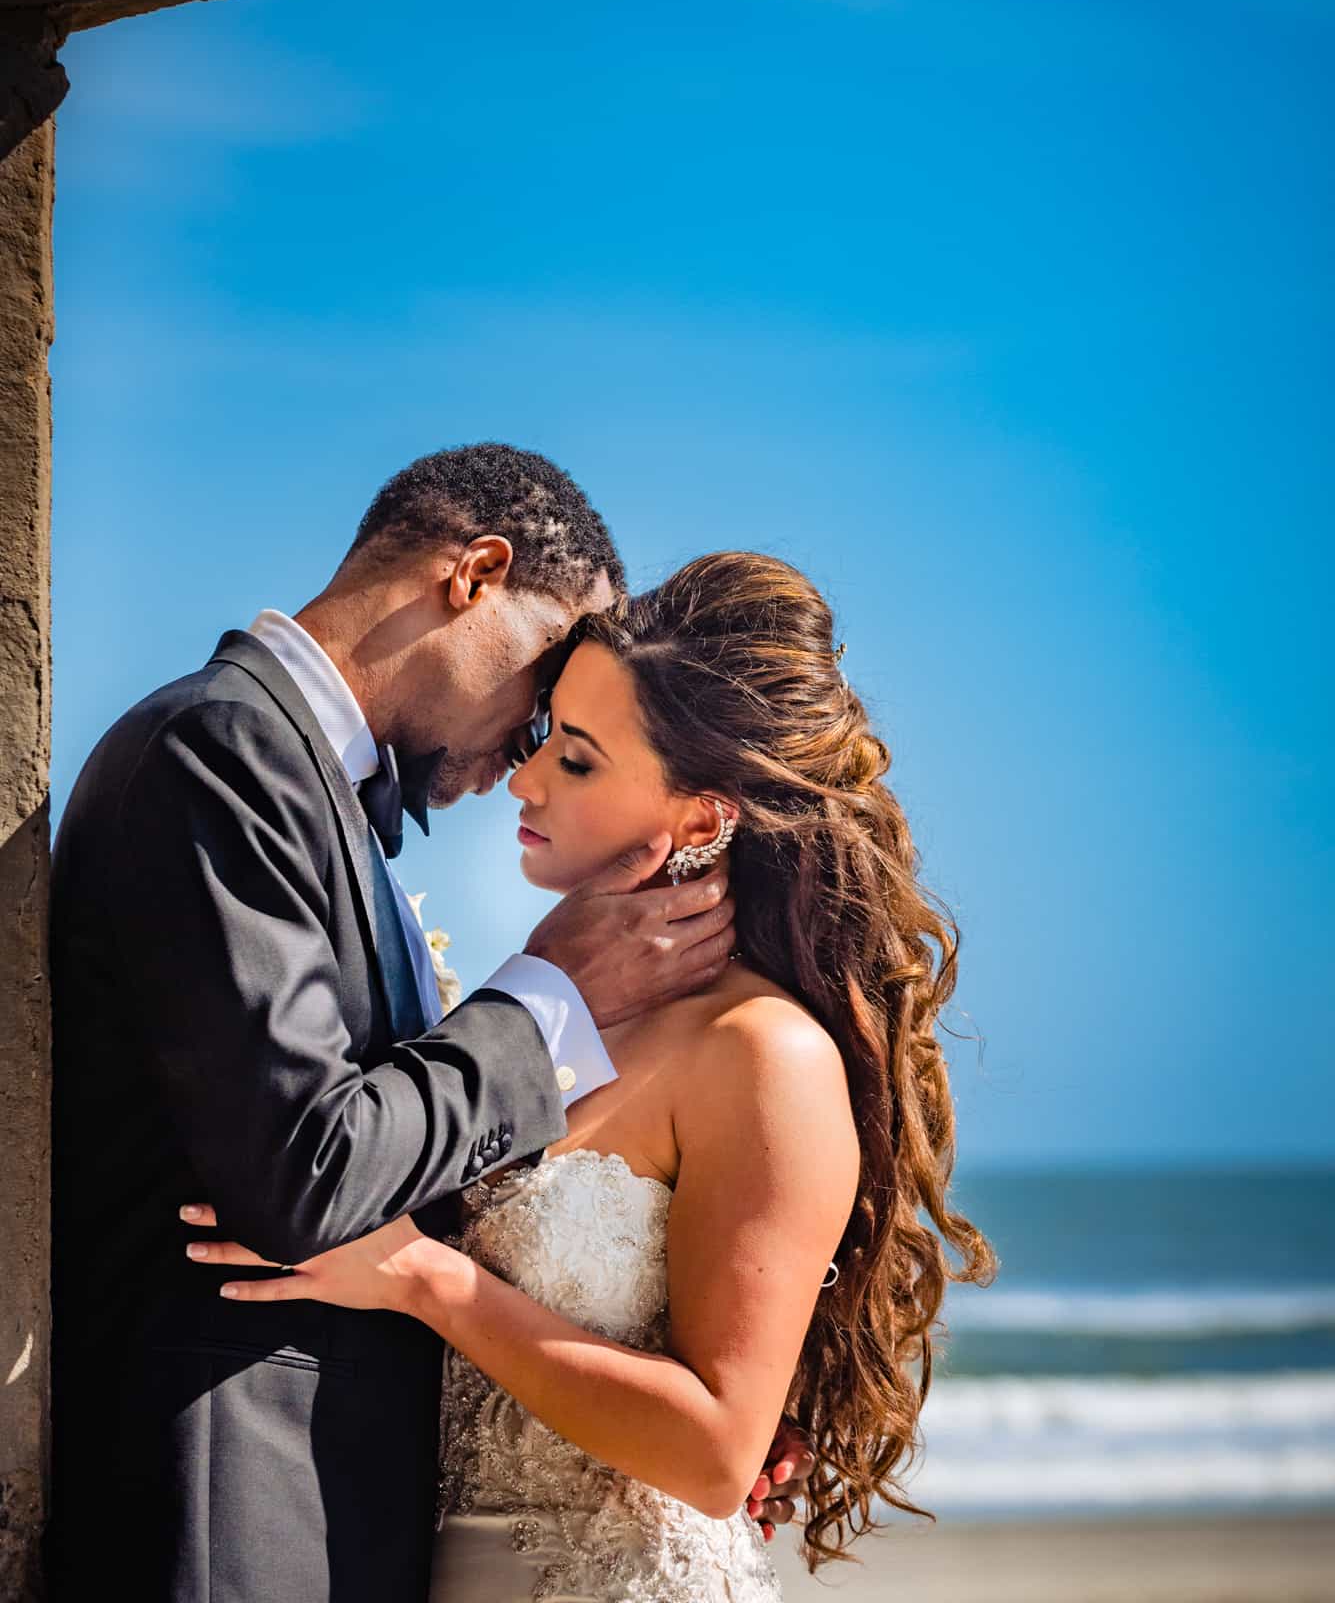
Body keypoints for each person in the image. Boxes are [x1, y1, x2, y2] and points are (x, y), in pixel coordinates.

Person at [48, 447, 808, 1603]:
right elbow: (308, 1175)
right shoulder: (223, 750)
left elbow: (394, 1193)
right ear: (477, 573)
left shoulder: (320, 797)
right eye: (547, 681)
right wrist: (547, 995)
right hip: (230, 1511)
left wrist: (692, 1375)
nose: (529, 746)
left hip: (346, 1520)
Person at [184, 550, 995, 1601]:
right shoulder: (554, 1020)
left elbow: (712, 1452)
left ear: (702, 819)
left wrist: (429, 1281)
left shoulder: (763, 1050)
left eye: (576, 757)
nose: (523, 779)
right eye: (540, 739)